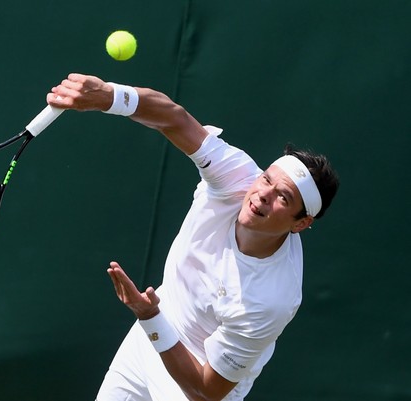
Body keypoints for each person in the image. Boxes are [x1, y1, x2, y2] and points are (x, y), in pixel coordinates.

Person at [46, 73, 339, 401]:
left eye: (282, 197)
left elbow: (206, 390)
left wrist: (150, 317)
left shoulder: (270, 300)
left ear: (300, 223)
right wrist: (108, 96)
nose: (262, 194)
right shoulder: (238, 178)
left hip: (193, 376)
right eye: (266, 178)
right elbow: (174, 119)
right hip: (152, 333)